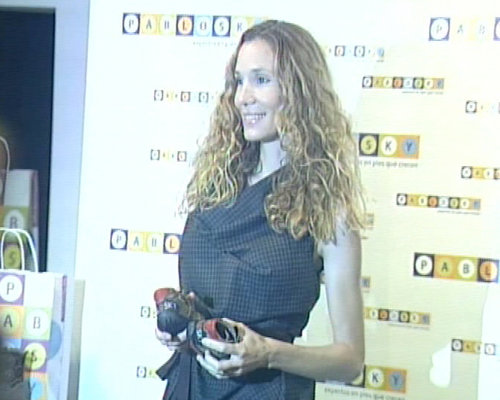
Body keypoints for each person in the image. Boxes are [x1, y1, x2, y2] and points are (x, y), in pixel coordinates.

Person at [156, 19, 365, 400]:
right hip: (189, 387)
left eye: (261, 80)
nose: (243, 97)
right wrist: (183, 326)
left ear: (299, 90)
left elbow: (350, 360)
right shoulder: (216, 186)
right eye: (239, 81)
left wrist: (268, 353)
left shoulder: (328, 210)